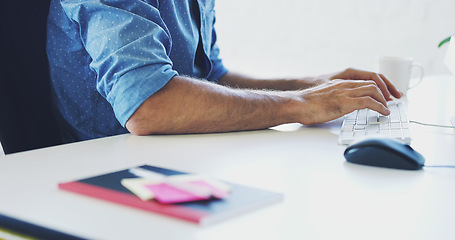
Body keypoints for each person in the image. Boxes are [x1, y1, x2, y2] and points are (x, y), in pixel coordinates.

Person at [46, 0, 403, 143]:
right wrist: (300, 105)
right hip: (102, 173)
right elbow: (149, 104)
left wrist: (310, 85)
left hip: (177, 156)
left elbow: (209, 76)